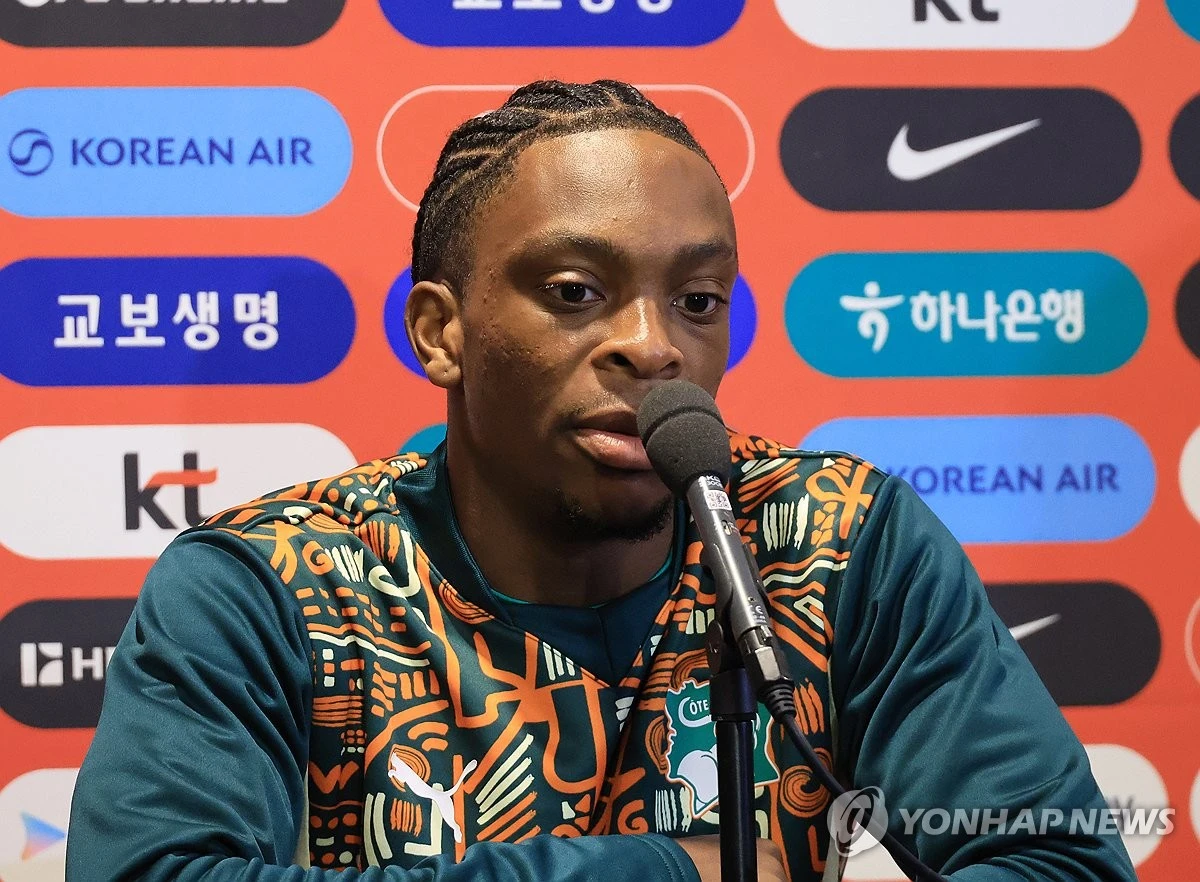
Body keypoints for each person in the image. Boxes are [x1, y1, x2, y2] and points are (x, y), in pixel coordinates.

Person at [67, 80, 1136, 882]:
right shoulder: (270, 584)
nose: (654, 346)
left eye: (699, 301)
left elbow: (1057, 860)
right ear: (440, 333)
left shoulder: (838, 541)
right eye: (577, 291)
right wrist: (661, 872)